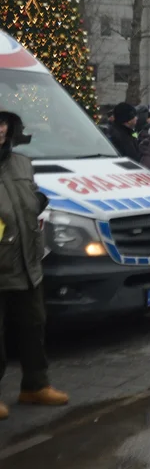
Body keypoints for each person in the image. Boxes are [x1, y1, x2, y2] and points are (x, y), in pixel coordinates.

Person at [0, 110, 69, 420]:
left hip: (28, 263)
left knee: (34, 325)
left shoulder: (21, 162)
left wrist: (36, 202)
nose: (0, 129)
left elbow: (26, 200)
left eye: (2, 123)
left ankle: (35, 386)